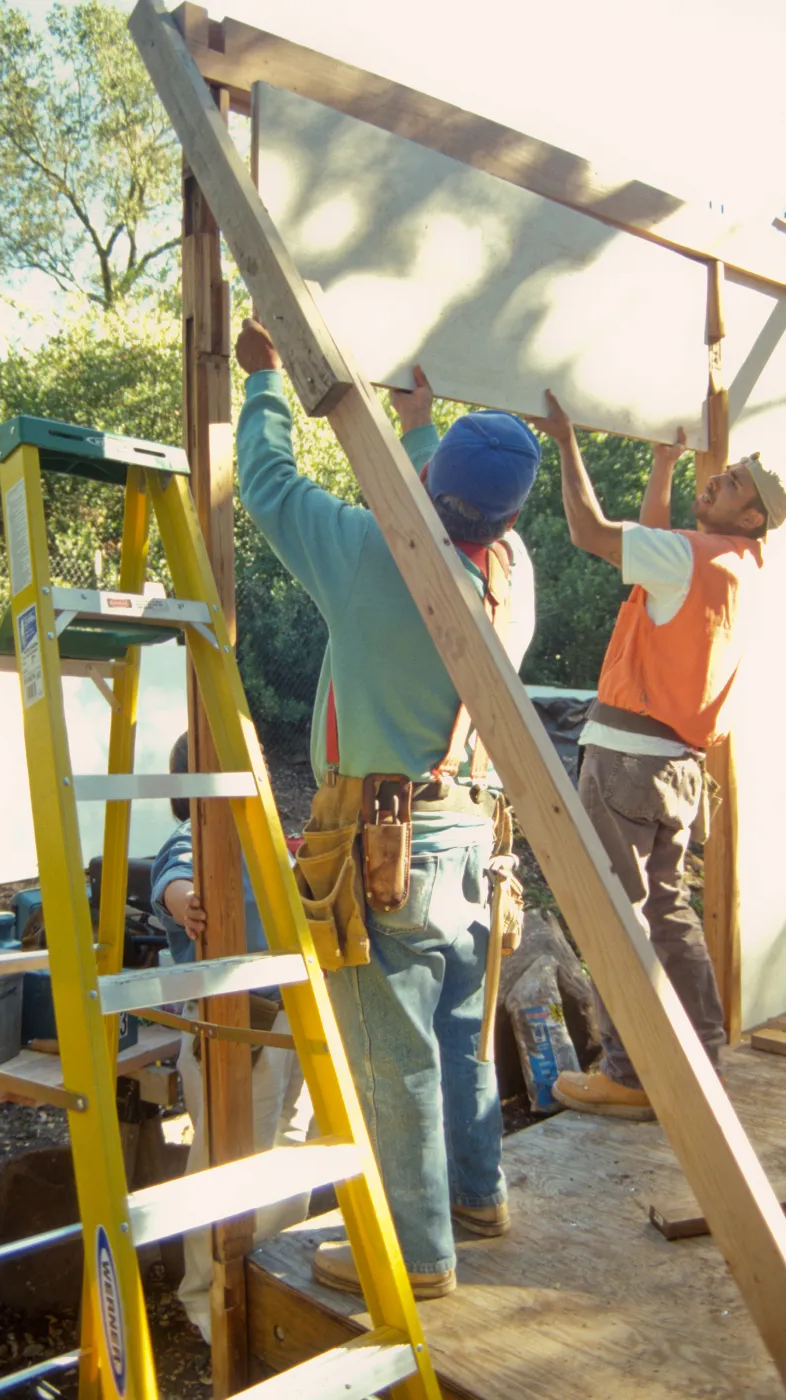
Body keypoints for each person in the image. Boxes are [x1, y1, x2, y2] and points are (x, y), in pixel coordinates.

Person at [234, 318, 540, 1300]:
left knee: (394, 1059)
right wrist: (417, 434)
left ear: (433, 483)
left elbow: (272, 488)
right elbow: (447, 505)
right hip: (469, 833)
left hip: (384, 842)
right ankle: (478, 1197)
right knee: (460, 1031)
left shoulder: (375, 556)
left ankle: (417, 1255)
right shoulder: (512, 572)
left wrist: (264, 384)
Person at [530, 391, 786, 1120]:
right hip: (673, 768)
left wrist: (566, 442)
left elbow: (589, 532)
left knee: (617, 917)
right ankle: (701, 1060)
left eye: (731, 483)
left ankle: (630, 1073)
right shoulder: (732, 566)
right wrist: (663, 467)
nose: (720, 480)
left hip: (626, 764)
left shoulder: (691, 557)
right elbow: (651, 559)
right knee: (667, 915)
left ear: (752, 517)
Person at [150, 734, 314, 1341]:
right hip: (234, 1022)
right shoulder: (193, 839)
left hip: (287, 1013)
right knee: (226, 1156)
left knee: (289, 1146)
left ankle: (275, 1277)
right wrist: (188, 901)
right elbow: (174, 881)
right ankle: (207, 1295)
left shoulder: (261, 837)